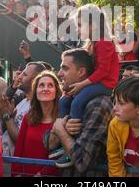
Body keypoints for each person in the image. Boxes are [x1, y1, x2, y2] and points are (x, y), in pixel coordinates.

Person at [56, 4, 119, 167]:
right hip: (96, 81)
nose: (77, 29)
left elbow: (104, 71)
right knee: (64, 100)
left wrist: (81, 84)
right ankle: (63, 143)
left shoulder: (104, 42)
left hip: (105, 84)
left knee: (77, 101)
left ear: (93, 25)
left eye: (79, 25)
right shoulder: (94, 43)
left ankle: (74, 145)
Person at [43, 48, 113, 176]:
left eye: (65, 68)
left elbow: (82, 162)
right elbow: (49, 144)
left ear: (81, 72)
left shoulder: (98, 104)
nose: (59, 74)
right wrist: (61, 128)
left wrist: (61, 131)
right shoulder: (66, 100)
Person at [12, 71, 61, 176]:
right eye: (41, 85)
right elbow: (19, 149)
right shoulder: (28, 117)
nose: (45, 89)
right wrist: (16, 173)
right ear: (36, 91)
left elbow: (60, 157)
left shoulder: (62, 119)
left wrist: (40, 175)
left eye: (50, 85)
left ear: (56, 91)